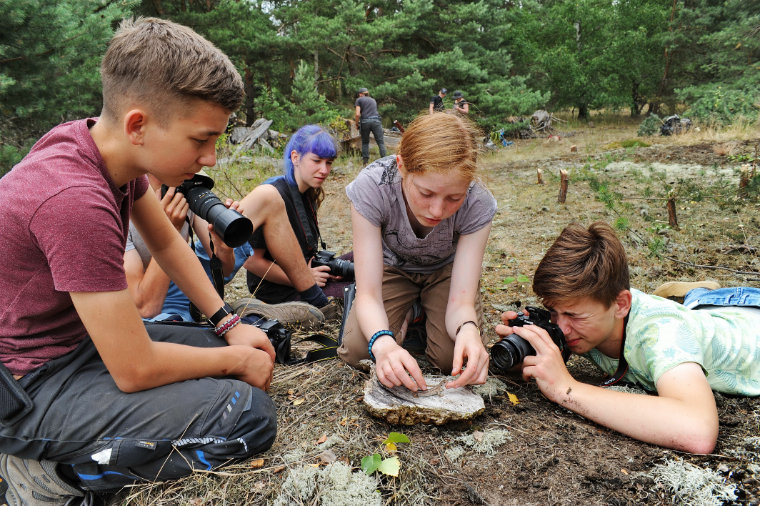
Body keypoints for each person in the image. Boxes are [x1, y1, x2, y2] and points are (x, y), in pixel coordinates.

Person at [0, 18, 278, 504]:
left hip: (75, 347)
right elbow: (133, 368)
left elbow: (169, 246)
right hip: (28, 383)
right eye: (201, 139)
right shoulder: (73, 199)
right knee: (247, 415)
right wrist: (235, 358)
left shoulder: (105, 151)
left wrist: (229, 322)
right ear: (138, 125)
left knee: (252, 346)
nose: (211, 157)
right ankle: (41, 478)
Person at [496, 221, 760, 454]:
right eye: (554, 313)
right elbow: (563, 325)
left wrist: (567, 389)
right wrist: (531, 350)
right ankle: (696, 295)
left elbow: (698, 431)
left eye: (574, 316)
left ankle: (697, 296)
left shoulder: (663, 332)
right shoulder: (587, 318)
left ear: (621, 304)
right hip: (713, 312)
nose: (562, 328)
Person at [337, 113, 497, 392]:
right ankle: (409, 311)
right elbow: (369, 295)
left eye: (454, 198)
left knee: (453, 359)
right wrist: (383, 342)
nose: (438, 211)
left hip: (444, 272)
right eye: (426, 193)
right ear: (401, 166)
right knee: (359, 350)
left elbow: (461, 304)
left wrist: (468, 329)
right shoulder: (372, 188)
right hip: (391, 268)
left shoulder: (479, 203)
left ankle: (421, 313)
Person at [236, 125, 349, 320]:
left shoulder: (310, 193)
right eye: (316, 161)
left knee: (366, 263)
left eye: (329, 162)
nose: (324, 170)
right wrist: (305, 278)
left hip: (306, 272)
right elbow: (251, 261)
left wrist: (328, 269)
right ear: (295, 157)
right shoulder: (273, 194)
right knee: (354, 292)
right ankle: (268, 310)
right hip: (277, 289)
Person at [354, 87, 387, 166]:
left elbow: (357, 114)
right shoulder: (373, 100)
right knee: (380, 142)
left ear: (361, 94)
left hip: (365, 121)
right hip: (376, 121)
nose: (359, 95)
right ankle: (385, 161)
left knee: (365, 142)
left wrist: (356, 123)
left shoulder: (359, 100)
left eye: (359, 94)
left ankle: (365, 162)